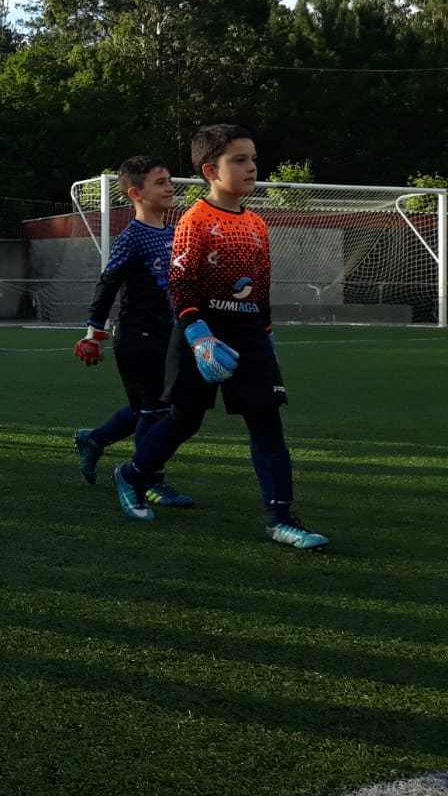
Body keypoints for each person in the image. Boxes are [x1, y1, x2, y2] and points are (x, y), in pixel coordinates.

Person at [111, 124, 329, 549]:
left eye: (253, 159)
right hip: (201, 332)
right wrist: (199, 336)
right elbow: (180, 285)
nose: (251, 168)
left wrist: (266, 337)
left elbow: (260, 289)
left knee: (266, 420)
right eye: (239, 160)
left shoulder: (257, 225)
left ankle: (281, 519)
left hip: (249, 335)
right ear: (210, 170)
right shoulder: (195, 220)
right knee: (184, 419)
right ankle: (131, 475)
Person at [71, 156, 192, 507]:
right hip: (138, 337)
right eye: (160, 182)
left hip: (170, 335)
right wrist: (93, 332)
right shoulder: (132, 238)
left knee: (147, 407)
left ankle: (95, 440)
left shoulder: (174, 233)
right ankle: (150, 480)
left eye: (169, 180)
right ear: (136, 193)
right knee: (156, 410)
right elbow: (107, 283)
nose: (169, 187)